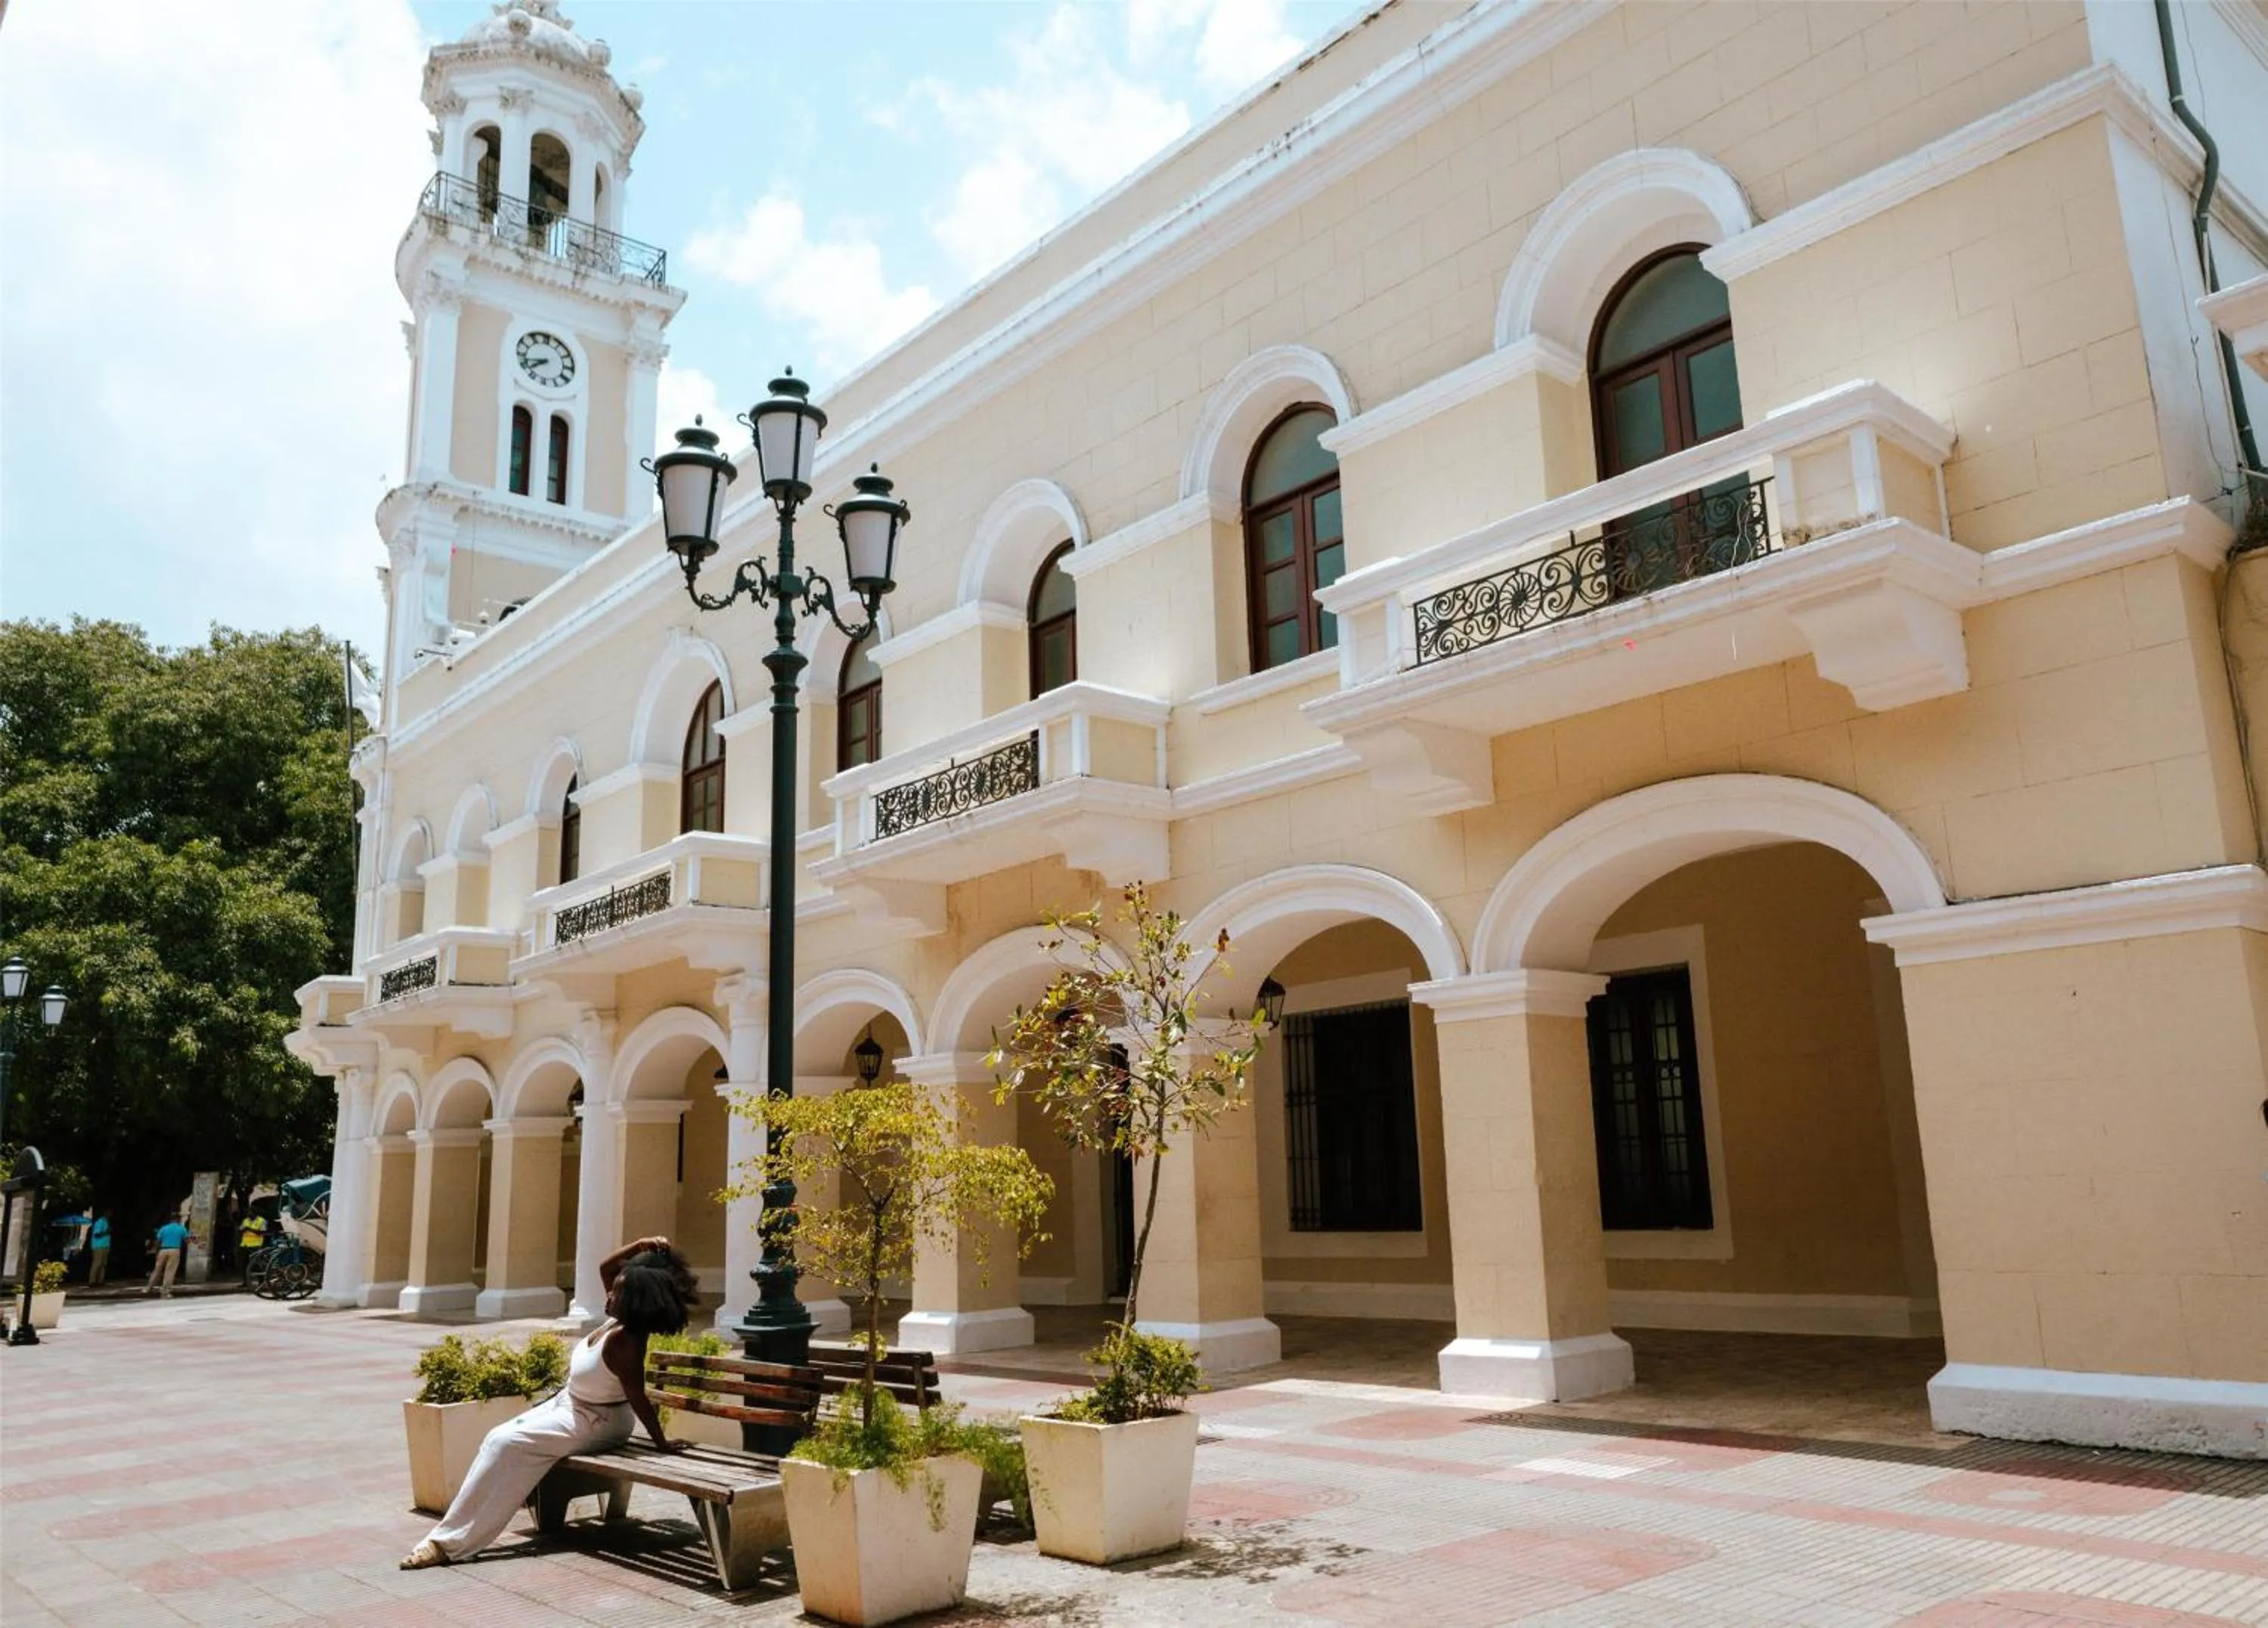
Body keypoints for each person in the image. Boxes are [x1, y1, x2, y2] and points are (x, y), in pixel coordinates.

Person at [399, 1236, 698, 1570]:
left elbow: (638, 1399)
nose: (609, 1293)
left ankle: (449, 1545)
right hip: (571, 1408)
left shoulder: (626, 1341)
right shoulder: (613, 1321)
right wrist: (641, 1245)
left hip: (598, 1423)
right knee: (496, 1438)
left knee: (507, 1443)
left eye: (618, 1291)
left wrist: (661, 1444)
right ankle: (450, 1534)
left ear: (633, 1301)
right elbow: (604, 1267)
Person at [145, 1215, 193, 1297]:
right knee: (170, 1271)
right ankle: (165, 1291)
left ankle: (148, 1288)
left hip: (163, 1250)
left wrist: (157, 1251)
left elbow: (158, 1241)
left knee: (157, 1269)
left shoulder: (164, 1228)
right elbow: (186, 1240)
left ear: (170, 1220)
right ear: (178, 1220)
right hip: (175, 1250)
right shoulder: (181, 1228)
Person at [87, 1211, 111, 1287]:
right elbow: (96, 1234)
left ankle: (100, 1281)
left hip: (105, 1245)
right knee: (97, 1263)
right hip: (98, 1246)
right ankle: (92, 1281)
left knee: (103, 1264)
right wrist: (106, 1232)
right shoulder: (100, 1222)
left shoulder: (106, 1222)